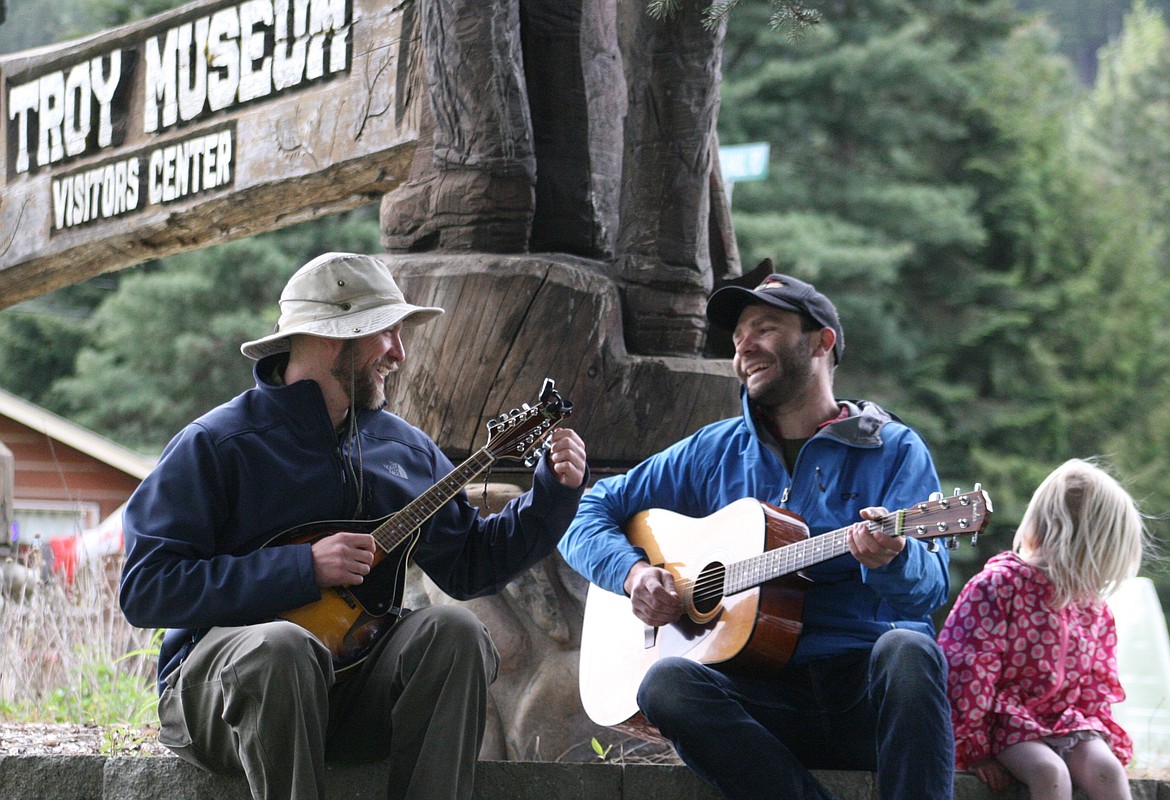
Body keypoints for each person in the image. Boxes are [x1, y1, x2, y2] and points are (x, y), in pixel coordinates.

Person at [118, 252, 588, 800]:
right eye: (385, 332)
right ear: (330, 337)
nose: (399, 353)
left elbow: (472, 566)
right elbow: (146, 589)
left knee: (456, 632)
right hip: (223, 702)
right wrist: (303, 567)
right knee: (280, 647)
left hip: (352, 696)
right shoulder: (216, 444)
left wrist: (553, 494)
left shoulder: (405, 449)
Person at [559, 272, 954, 800]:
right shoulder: (713, 450)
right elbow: (584, 511)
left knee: (909, 650)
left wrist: (896, 558)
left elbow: (930, 588)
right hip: (761, 706)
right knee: (665, 684)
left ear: (822, 341)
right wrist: (633, 574)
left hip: (863, 698)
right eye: (738, 336)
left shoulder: (895, 449)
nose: (744, 346)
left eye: (765, 328)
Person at [938, 458, 1147, 800]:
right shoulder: (1000, 587)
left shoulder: (1091, 608)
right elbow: (969, 671)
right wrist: (974, 749)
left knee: (1107, 770)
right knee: (1049, 771)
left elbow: (1096, 684)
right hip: (1006, 724)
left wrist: (1099, 733)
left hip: (1066, 721)